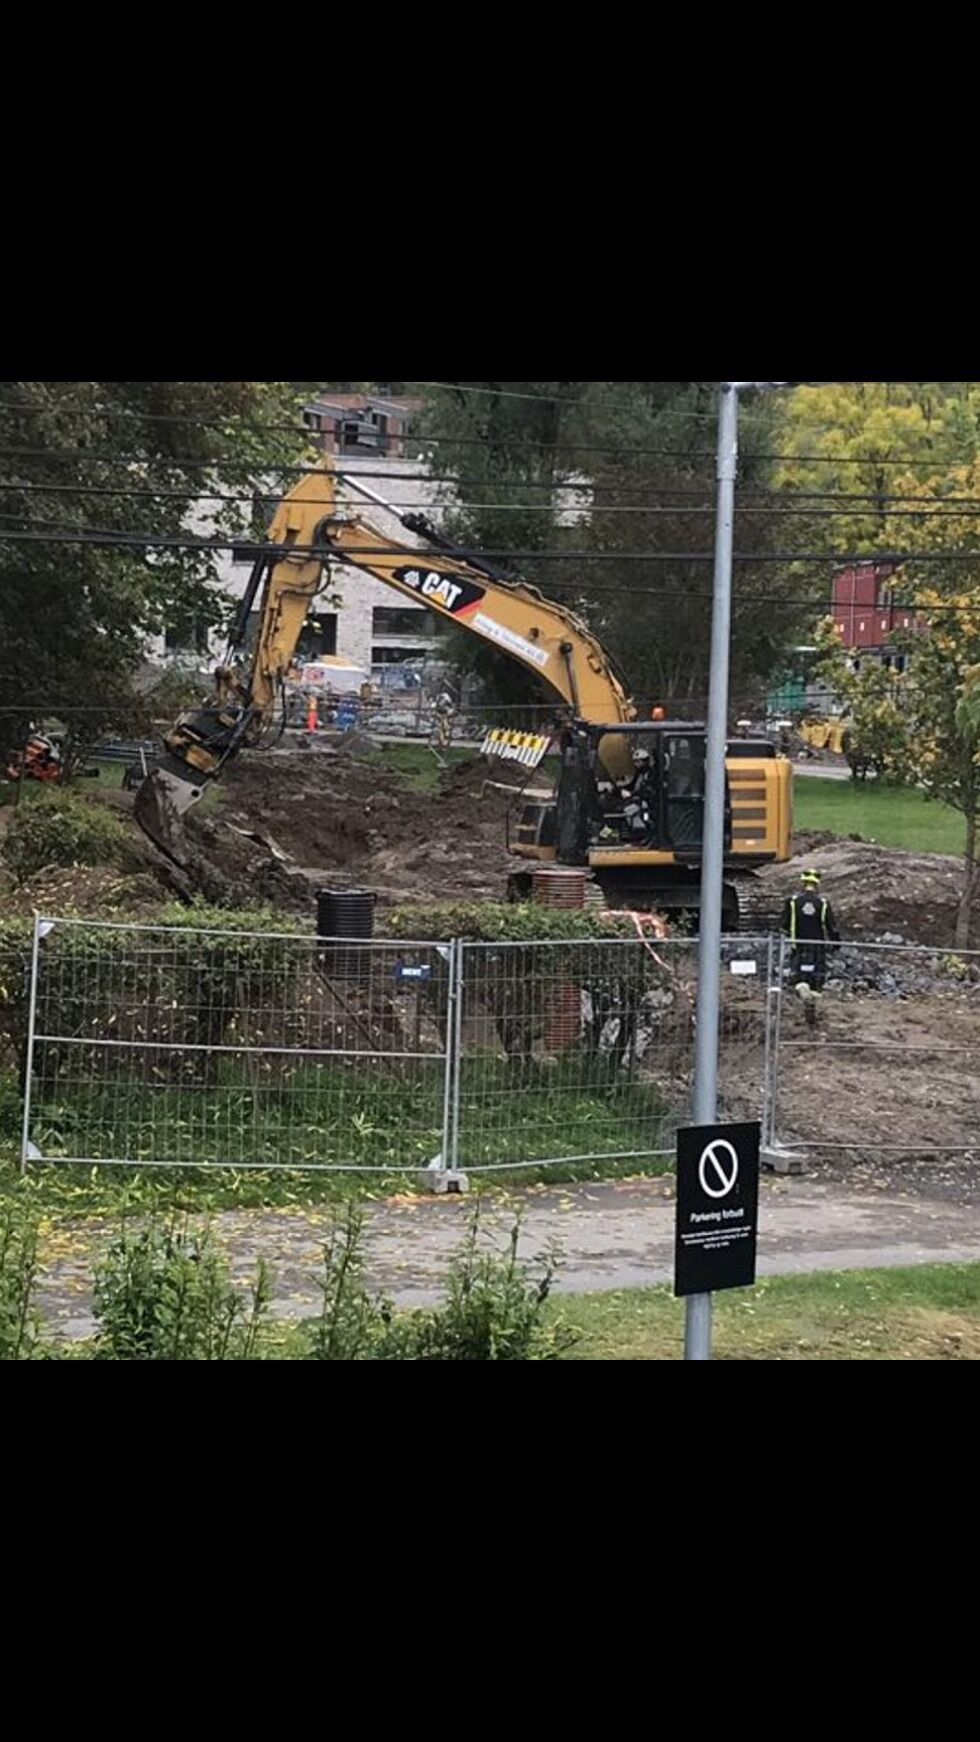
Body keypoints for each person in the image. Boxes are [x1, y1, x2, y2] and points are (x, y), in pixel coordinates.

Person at [782, 869, 840, 1003]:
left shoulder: (793, 902)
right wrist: (836, 943)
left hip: (798, 944)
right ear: (817, 884)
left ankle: (801, 988)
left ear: (803, 883)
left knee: (799, 972)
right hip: (817, 946)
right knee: (816, 975)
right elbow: (831, 926)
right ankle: (814, 994)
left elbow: (784, 924)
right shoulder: (822, 903)